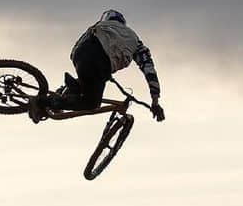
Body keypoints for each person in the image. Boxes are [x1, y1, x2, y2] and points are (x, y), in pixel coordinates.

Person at [29, 9, 165, 123]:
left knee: (88, 81)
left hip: (80, 56)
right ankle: (42, 102)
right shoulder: (135, 41)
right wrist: (155, 102)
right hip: (100, 65)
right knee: (91, 103)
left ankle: (73, 86)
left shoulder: (99, 26)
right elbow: (149, 70)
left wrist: (82, 69)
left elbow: (75, 50)